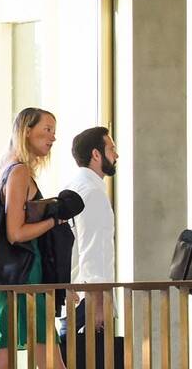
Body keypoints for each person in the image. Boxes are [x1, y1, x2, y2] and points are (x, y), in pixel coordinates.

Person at [0, 108, 67, 369]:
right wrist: (53, 221)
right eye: (47, 129)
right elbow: (15, 233)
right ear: (27, 131)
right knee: (44, 356)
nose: (53, 137)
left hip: (3, 274)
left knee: (0, 353)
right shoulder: (19, 172)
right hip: (23, 274)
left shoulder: (6, 167)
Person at [61, 126, 119, 367]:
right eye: (111, 148)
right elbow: (93, 250)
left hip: (76, 294)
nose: (116, 155)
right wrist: (98, 302)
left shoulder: (76, 186)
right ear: (96, 154)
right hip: (89, 298)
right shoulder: (92, 193)